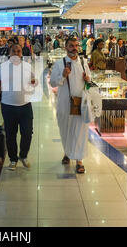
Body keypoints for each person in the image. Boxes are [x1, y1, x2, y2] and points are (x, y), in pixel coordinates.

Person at [0, 44, 36, 171]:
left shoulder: (27, 66)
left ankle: (23, 155)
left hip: (26, 106)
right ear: (9, 53)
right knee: (11, 134)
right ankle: (13, 159)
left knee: (27, 133)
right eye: (13, 51)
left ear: (21, 53)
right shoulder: (2, 67)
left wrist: (33, 83)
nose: (16, 53)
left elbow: (34, 81)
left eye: (18, 51)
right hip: (8, 105)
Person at [49, 37, 91, 174]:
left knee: (80, 132)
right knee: (65, 130)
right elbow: (53, 83)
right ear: (66, 47)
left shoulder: (84, 62)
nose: (74, 48)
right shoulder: (60, 64)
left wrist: (87, 79)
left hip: (80, 104)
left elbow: (90, 81)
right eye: (71, 46)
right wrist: (62, 75)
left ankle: (79, 160)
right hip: (65, 104)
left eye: (76, 45)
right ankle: (67, 153)